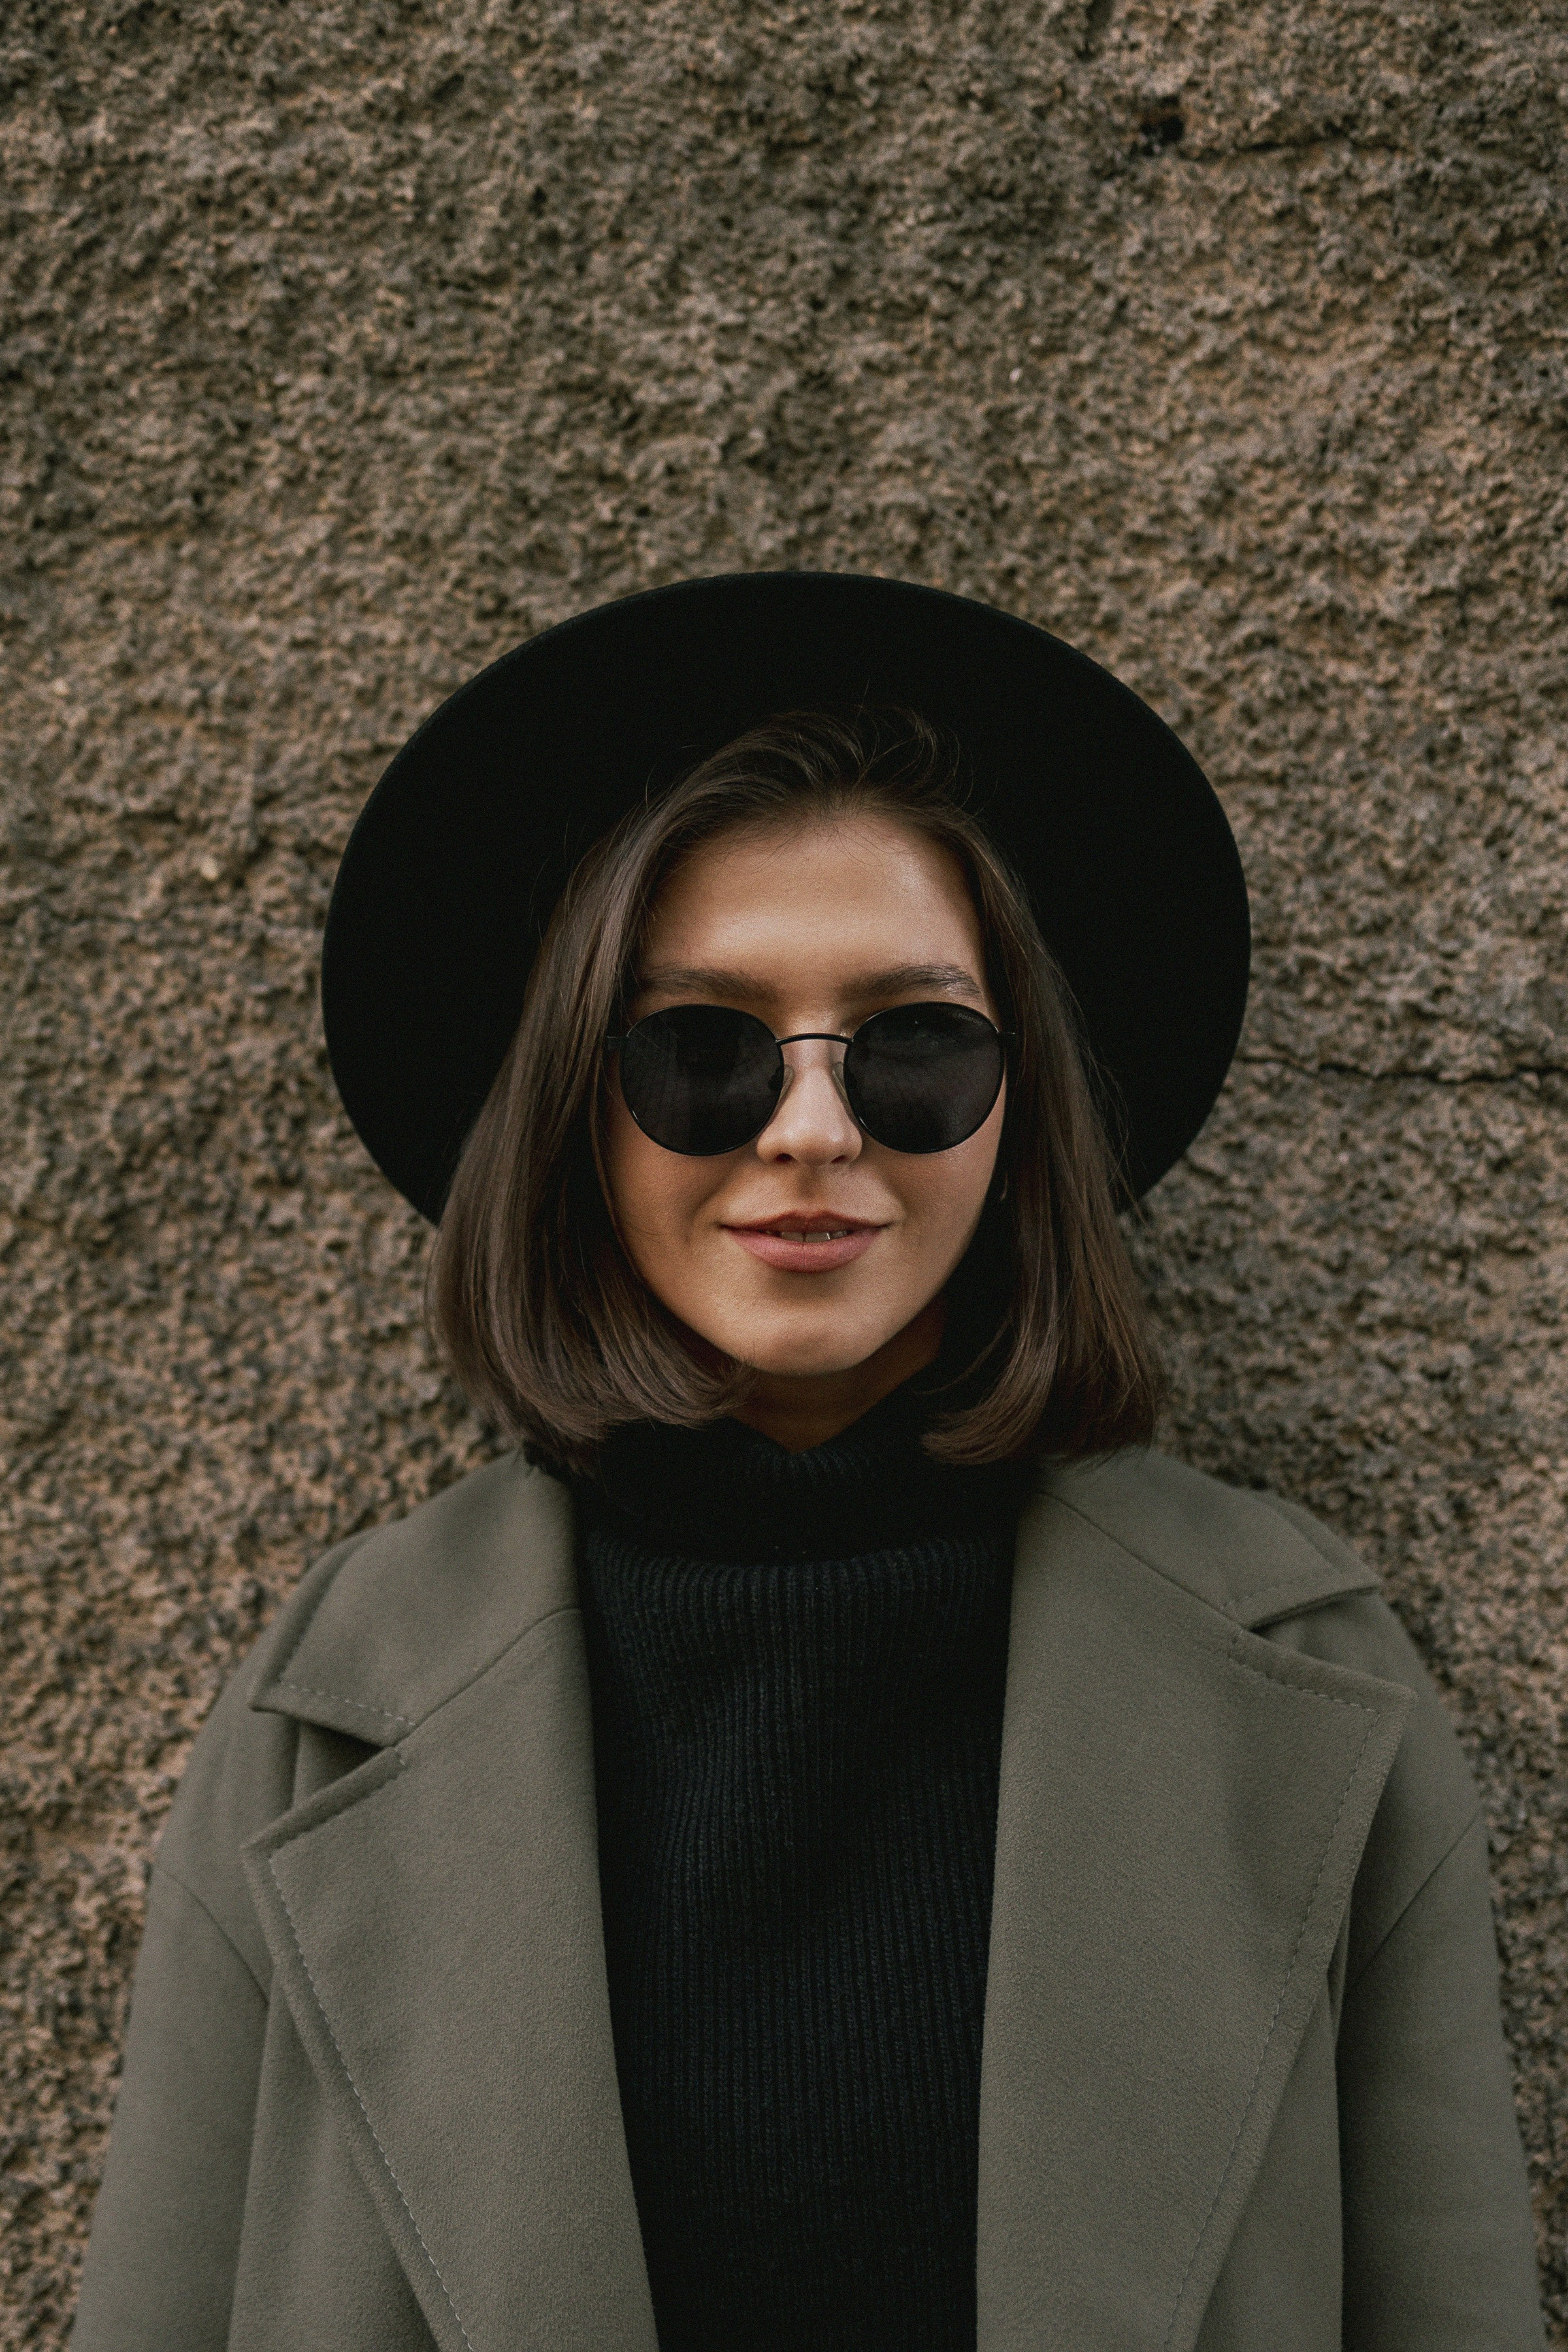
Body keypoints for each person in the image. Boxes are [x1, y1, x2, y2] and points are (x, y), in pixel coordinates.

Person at [71, 574, 1544, 2352]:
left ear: (1022, 1107)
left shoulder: (1306, 1678)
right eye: (702, 1051)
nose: (817, 1128)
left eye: (916, 1044)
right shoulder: (330, 1713)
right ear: (573, 1113)